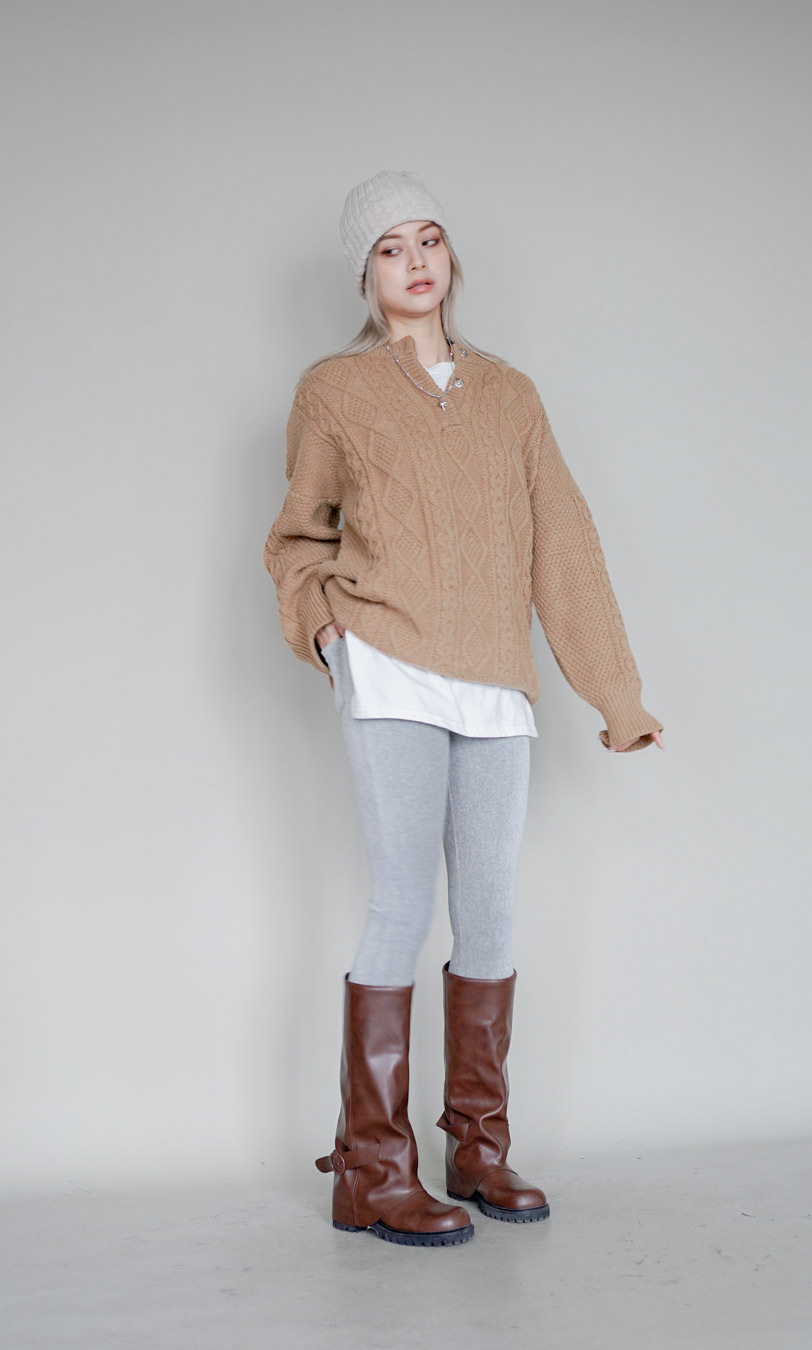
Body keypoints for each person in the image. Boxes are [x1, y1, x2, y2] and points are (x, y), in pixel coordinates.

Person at [262, 169, 664, 1248]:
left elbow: (563, 541)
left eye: (430, 239)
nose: (416, 261)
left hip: (494, 673)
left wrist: (615, 692)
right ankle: (371, 1170)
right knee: (402, 899)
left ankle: (476, 1150)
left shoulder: (511, 395)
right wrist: (325, 630)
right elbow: (296, 535)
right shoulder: (334, 389)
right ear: (366, 272)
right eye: (392, 247)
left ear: (451, 257)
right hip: (389, 660)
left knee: (488, 910)